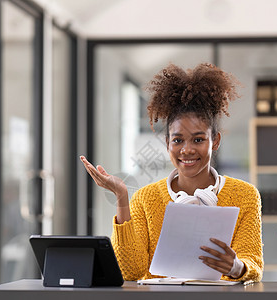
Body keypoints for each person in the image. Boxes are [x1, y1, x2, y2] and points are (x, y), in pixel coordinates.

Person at [80, 63, 263, 282]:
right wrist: (121, 197)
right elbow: (130, 271)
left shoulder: (245, 195)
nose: (187, 149)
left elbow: (253, 262)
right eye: (177, 140)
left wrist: (236, 267)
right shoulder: (146, 199)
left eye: (198, 139)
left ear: (215, 141)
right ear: (167, 144)